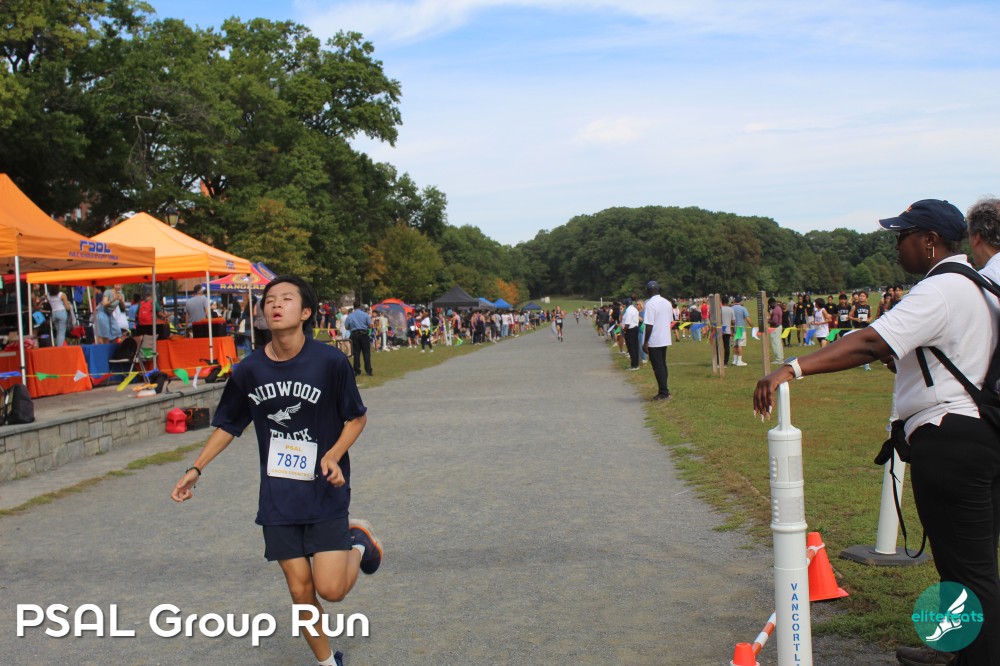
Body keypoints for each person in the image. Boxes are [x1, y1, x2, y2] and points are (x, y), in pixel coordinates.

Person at [753, 199, 1000, 666]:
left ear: (930, 242)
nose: (897, 246)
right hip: (980, 435)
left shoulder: (941, 288)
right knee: (967, 564)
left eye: (903, 236)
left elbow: (869, 341)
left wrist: (792, 368)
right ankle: (956, 650)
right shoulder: (981, 286)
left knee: (970, 572)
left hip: (951, 440)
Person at [171, 275, 381, 666]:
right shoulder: (249, 369)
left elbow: (356, 418)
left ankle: (359, 543)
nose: (276, 304)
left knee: (331, 590)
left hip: (324, 489)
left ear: (305, 313)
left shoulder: (330, 362)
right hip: (279, 496)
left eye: (286, 299)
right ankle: (327, 662)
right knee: (300, 591)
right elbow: (229, 424)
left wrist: (333, 455)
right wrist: (196, 468)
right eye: (269, 300)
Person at [641, 280, 673, 400]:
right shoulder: (667, 303)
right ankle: (664, 389)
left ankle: (663, 392)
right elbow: (669, 320)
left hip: (654, 339)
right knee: (662, 365)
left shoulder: (650, 304)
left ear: (648, 291)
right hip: (664, 338)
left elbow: (649, 324)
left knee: (657, 366)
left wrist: (645, 342)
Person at [344, 303, 373, 377]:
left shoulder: (350, 316)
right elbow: (371, 325)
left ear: (354, 307)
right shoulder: (365, 315)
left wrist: (352, 327)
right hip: (364, 335)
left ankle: (356, 370)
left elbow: (346, 327)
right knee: (366, 353)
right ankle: (368, 370)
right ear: (360, 307)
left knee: (356, 353)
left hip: (355, 335)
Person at [731, 295, 753, 366]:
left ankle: (734, 360)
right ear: (741, 301)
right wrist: (752, 326)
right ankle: (739, 361)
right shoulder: (743, 308)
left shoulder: (731, 308)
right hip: (740, 329)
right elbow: (748, 319)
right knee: (740, 345)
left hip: (733, 328)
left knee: (735, 345)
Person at [621, 298, 640, 369]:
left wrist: (624, 330)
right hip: (635, 328)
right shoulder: (634, 309)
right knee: (635, 347)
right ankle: (636, 363)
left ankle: (634, 365)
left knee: (631, 348)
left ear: (626, 304)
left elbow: (627, 323)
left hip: (630, 330)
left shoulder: (628, 310)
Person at [766, 297, 784, 364]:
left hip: (775, 328)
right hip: (779, 327)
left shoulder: (775, 310)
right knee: (778, 343)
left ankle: (778, 359)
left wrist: (767, 320)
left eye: (769, 305)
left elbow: (775, 321)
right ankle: (780, 358)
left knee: (775, 344)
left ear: (771, 303)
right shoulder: (778, 308)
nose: (769, 306)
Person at [719, 295, 735, 366]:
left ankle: (718, 361)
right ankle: (725, 362)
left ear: (721, 302)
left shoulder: (719, 309)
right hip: (728, 329)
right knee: (726, 346)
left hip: (720, 329)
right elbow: (733, 321)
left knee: (718, 346)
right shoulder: (731, 309)